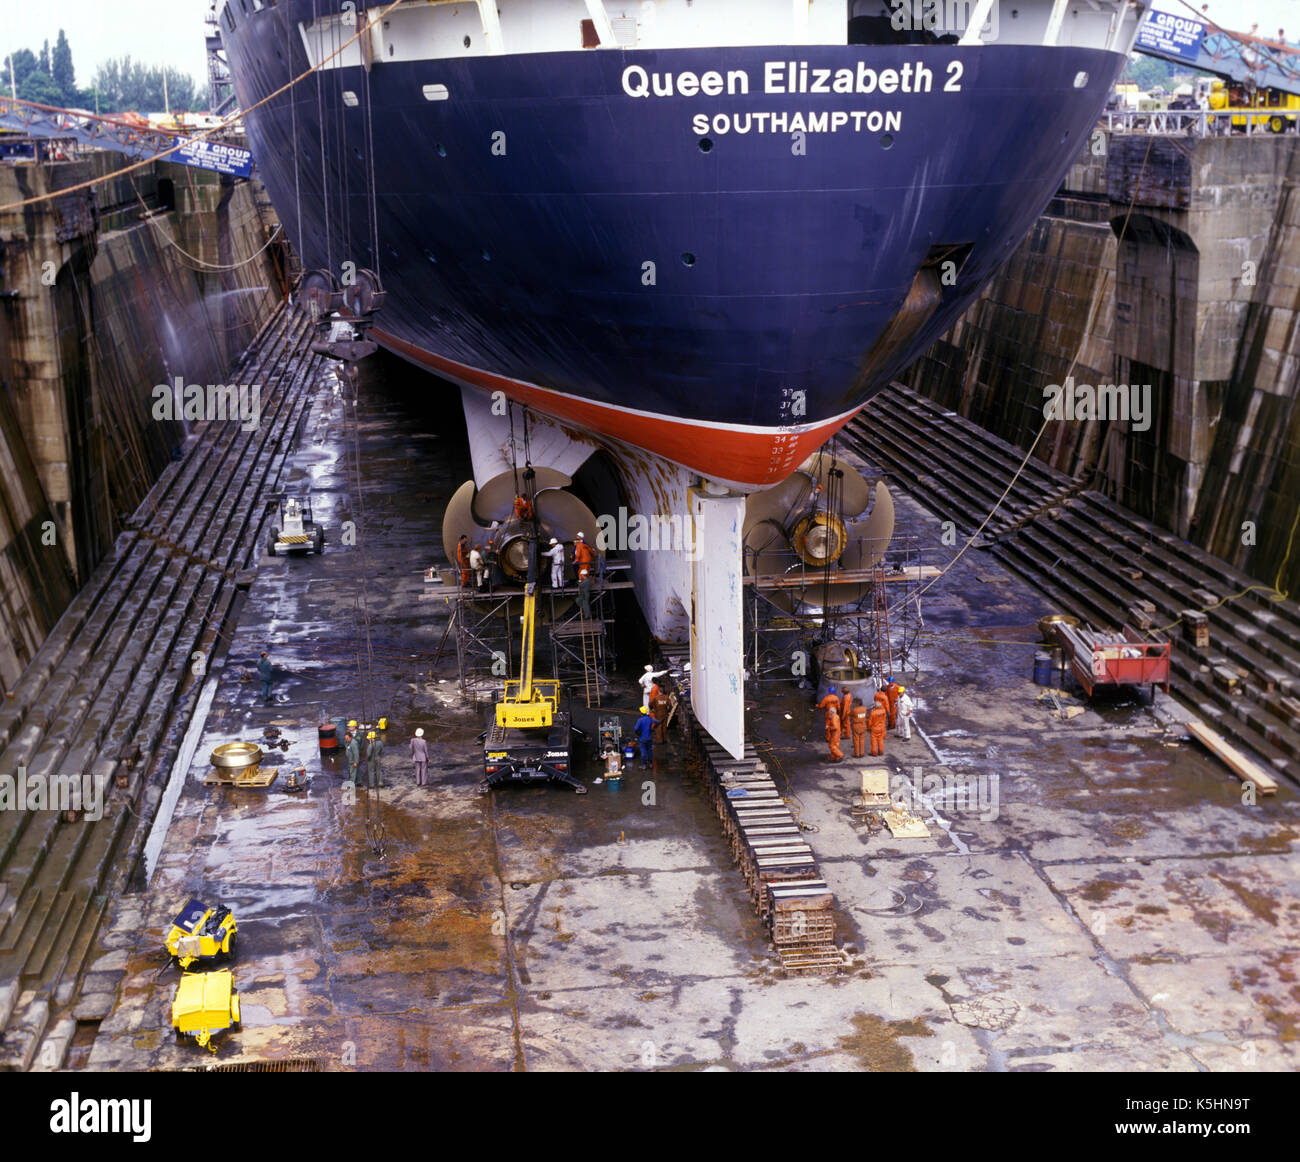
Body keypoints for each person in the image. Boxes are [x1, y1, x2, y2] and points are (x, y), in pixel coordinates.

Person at [633, 705, 657, 770]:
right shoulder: (650, 718)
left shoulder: (640, 720)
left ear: (641, 713)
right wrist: (653, 728)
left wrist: (638, 733)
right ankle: (650, 764)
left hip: (642, 739)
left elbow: (635, 728)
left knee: (643, 751)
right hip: (649, 738)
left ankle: (643, 765)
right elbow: (657, 722)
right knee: (649, 750)